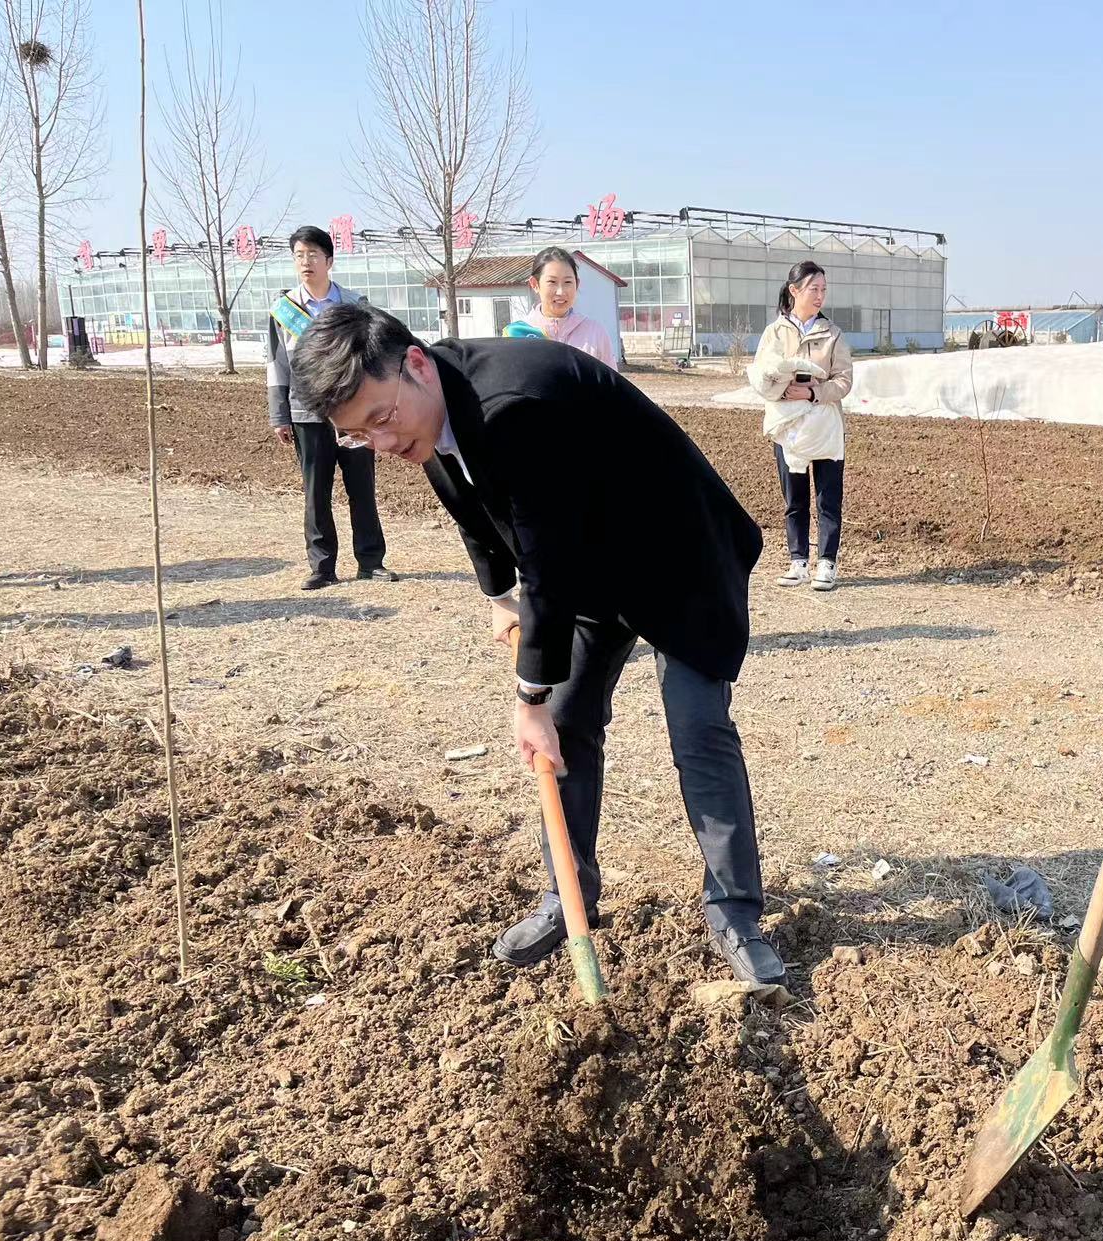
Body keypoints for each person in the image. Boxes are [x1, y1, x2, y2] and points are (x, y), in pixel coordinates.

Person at [288, 302, 785, 985]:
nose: (378, 443)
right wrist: (498, 599)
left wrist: (528, 695)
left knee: (695, 731)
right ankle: (569, 896)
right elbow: (477, 520)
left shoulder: (513, 405)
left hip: (677, 555)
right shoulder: (426, 415)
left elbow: (547, 568)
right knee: (569, 723)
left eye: (378, 419)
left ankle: (734, 911)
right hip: (589, 560)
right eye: (356, 434)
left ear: (414, 364)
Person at [266, 225, 394, 590]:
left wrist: (378, 412)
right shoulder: (283, 311)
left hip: (354, 413)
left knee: (362, 488)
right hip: (307, 413)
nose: (306, 262)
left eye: (313, 255)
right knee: (315, 492)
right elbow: (276, 364)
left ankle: (371, 561)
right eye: (299, 256)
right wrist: (279, 413)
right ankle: (322, 567)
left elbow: (373, 360)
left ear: (329, 261)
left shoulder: (355, 305)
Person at [749, 260, 853, 592]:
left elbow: (844, 381)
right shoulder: (775, 332)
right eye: (814, 289)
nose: (820, 295)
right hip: (787, 428)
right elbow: (762, 376)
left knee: (827, 496)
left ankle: (827, 563)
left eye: (823, 289)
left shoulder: (832, 334)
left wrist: (812, 393)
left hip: (824, 426)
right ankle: (798, 563)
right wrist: (784, 391)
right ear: (794, 291)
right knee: (794, 498)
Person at [520, 246, 616, 369]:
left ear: (577, 284)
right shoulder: (518, 334)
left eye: (568, 282)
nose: (561, 292)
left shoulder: (595, 333)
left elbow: (612, 385)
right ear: (535, 284)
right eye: (552, 282)